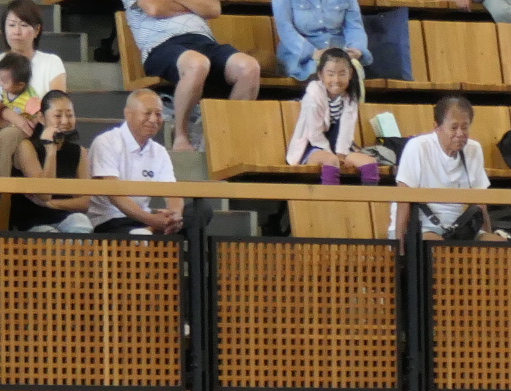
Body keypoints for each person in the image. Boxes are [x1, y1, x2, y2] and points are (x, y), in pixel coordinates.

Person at [121, 0, 260, 154]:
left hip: (204, 41)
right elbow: (155, 8)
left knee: (249, 68)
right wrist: (194, 7)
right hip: (160, 45)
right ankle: (181, 135)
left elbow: (213, 9)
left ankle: (226, 136)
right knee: (197, 64)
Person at [390, 93, 494, 239]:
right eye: (454, 128)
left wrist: (488, 238)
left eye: (465, 127)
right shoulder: (418, 147)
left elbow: (480, 203)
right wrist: (400, 246)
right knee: (438, 247)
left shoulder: (473, 149)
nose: (460, 134)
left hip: (460, 228)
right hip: (421, 227)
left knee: (499, 246)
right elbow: (403, 200)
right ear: (437, 127)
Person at [86, 88, 183, 235]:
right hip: (111, 220)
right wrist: (152, 220)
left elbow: (172, 191)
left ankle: (148, 231)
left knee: (199, 211)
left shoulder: (159, 151)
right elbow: (114, 195)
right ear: (128, 114)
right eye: (147, 113)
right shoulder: (106, 142)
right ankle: (149, 231)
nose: (153, 119)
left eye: (158, 114)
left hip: (144, 219)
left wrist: (175, 215)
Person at [287, 45, 380, 179]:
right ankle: (330, 193)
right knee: (331, 161)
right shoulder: (313, 95)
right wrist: (332, 154)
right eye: (330, 74)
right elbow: (314, 134)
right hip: (313, 146)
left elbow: (347, 129)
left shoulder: (350, 95)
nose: (336, 80)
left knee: (369, 163)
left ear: (350, 74)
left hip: (339, 146)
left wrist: (341, 153)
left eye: (342, 74)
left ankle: (370, 193)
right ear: (321, 75)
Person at [0, 1, 62, 146]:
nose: (16, 31)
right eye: (11, 25)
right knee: (14, 139)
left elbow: (56, 102)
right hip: (5, 132)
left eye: (24, 25)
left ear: (37, 30)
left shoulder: (52, 62)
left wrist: (35, 122)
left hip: (42, 131)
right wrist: (19, 121)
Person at [10, 88, 91, 231]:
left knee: (81, 221)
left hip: (66, 218)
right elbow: (44, 194)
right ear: (41, 118)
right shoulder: (27, 147)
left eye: (70, 115)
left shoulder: (80, 152)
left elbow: (86, 202)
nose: (65, 121)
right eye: (58, 115)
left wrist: (51, 204)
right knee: (51, 236)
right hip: (33, 222)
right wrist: (51, 150)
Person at [270, 0, 362, 81]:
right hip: (299, 54)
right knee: (326, 70)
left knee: (353, 68)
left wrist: (355, 48)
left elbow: (354, 27)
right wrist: (312, 53)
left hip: (338, 50)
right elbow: (285, 29)